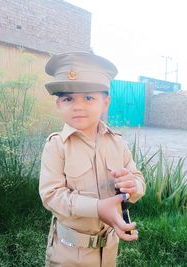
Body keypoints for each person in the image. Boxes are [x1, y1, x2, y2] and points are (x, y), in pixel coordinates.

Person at [39, 51, 146, 267]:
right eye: (68, 98)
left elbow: (137, 178)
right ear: (58, 104)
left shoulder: (118, 144)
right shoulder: (57, 145)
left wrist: (133, 185)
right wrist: (97, 207)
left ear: (105, 103)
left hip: (108, 250)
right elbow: (51, 195)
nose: (78, 106)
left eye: (89, 97)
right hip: (68, 252)